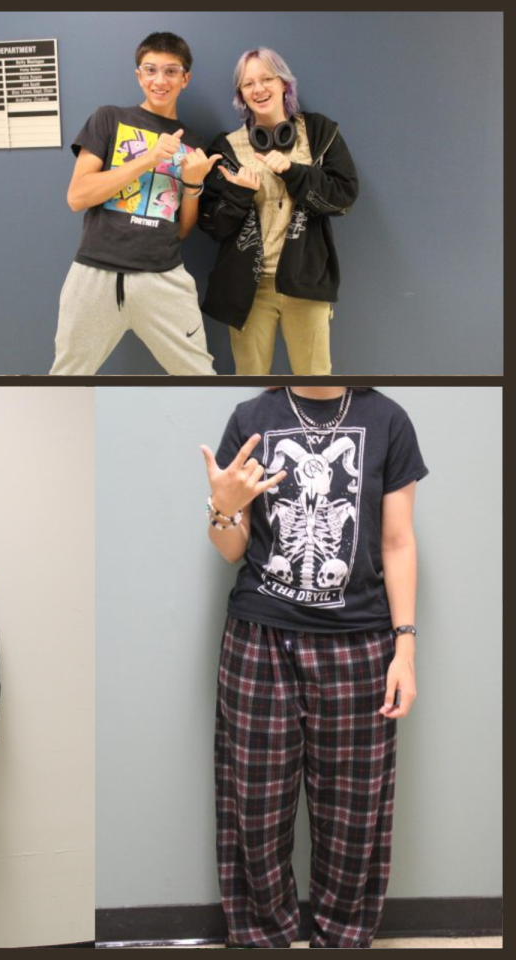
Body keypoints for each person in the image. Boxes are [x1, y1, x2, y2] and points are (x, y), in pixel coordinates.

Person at [199, 387, 426, 947]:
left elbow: (397, 542)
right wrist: (223, 506)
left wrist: (405, 649)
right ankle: (261, 941)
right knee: (254, 810)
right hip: (259, 641)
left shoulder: (387, 419)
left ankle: (342, 942)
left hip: (360, 645)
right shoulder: (252, 419)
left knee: (354, 817)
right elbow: (231, 549)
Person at [50, 31, 222, 376]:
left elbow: (183, 229)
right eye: (151, 70)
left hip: (163, 277)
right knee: (67, 378)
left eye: (171, 71)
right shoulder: (108, 118)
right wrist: (149, 158)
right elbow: (77, 196)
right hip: (95, 274)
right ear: (138, 75)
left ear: (185, 79)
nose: (160, 80)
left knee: (200, 377)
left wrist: (193, 184)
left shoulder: (194, 142)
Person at [198, 48, 359, 375]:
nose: (258, 89)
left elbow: (344, 196)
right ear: (241, 94)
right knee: (249, 379)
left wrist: (293, 171)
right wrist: (240, 194)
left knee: (316, 378)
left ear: (284, 83)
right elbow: (214, 226)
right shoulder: (226, 147)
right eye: (248, 84)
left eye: (266, 79)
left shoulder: (318, 133)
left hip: (306, 281)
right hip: (248, 290)